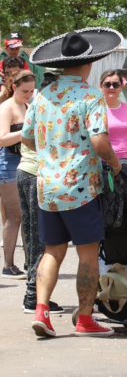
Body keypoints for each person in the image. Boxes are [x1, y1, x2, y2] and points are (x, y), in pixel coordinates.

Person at [22, 28, 124, 338]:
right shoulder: (91, 95)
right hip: (81, 187)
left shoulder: (42, 95)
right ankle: (84, 318)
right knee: (87, 254)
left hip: (47, 187)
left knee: (52, 251)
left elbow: (26, 138)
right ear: (89, 63)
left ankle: (41, 311)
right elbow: (100, 143)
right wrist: (115, 164)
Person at [16, 71, 64, 313]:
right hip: (36, 174)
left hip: (26, 171)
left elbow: (26, 138)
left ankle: (32, 293)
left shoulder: (37, 104)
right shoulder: (48, 106)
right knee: (39, 238)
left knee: (33, 235)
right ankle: (33, 296)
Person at [0, 70, 35, 280]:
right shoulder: (7, 107)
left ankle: (28, 261)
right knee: (15, 216)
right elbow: (2, 139)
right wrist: (26, 132)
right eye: (24, 91)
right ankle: (8, 265)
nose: (28, 94)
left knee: (27, 215)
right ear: (14, 87)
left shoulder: (27, 105)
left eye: (31, 91)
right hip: (8, 164)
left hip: (26, 163)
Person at [100, 70, 127, 160]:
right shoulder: (97, 109)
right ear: (101, 86)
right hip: (106, 164)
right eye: (107, 84)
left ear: (121, 87)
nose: (111, 87)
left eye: (115, 84)